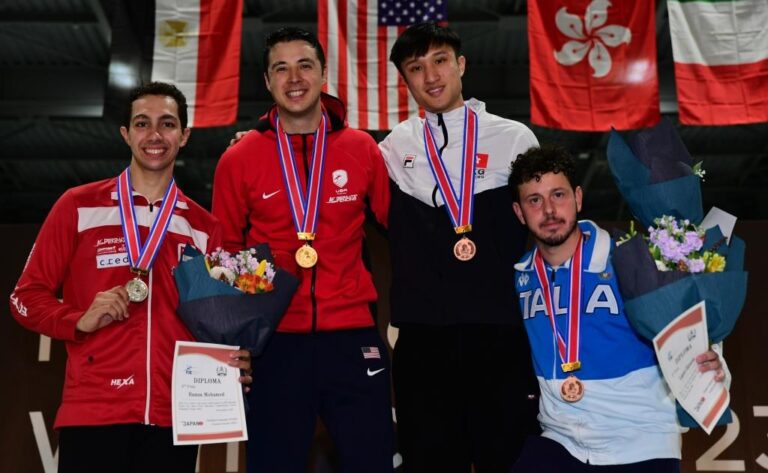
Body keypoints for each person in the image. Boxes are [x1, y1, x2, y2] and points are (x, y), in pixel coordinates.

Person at [8, 81, 252, 473]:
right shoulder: (78, 206)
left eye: (167, 124)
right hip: (95, 411)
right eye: (142, 123)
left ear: (184, 135)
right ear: (125, 134)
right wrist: (76, 319)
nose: (154, 135)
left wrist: (233, 355)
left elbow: (214, 320)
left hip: (173, 416)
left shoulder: (204, 227)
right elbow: (25, 297)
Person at [211, 27, 394, 473]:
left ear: (324, 74)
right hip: (275, 344)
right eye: (281, 68)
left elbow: (399, 230)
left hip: (352, 336)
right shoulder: (239, 158)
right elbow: (224, 254)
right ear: (267, 81)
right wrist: (240, 339)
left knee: (372, 463)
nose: (294, 78)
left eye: (305, 65)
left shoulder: (362, 149)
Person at [378, 22, 541, 473]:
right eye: (416, 68)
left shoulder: (514, 138)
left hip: (499, 336)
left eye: (440, 61)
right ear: (405, 80)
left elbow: (548, 221)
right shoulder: (393, 147)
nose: (431, 76)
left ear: (461, 64)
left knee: (507, 461)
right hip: (423, 343)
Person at [508, 145, 726, 472]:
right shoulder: (522, 276)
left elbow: (693, 329)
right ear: (519, 212)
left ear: (578, 198)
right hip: (561, 439)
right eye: (534, 200)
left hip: (640, 440)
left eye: (558, 195)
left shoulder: (630, 261)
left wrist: (714, 357)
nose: (549, 210)